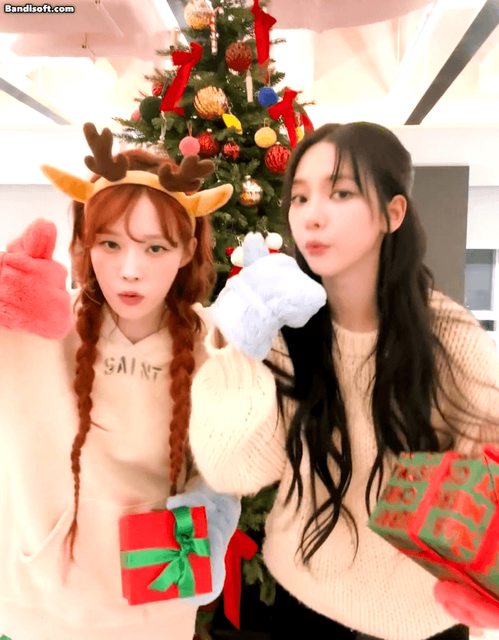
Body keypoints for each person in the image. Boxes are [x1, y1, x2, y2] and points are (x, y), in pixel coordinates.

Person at [188, 121, 499, 640]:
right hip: (297, 598)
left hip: (423, 615)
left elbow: (488, 470)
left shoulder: (449, 335)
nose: (312, 215)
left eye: (341, 193)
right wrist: (240, 347)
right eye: (300, 197)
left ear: (392, 213)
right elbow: (235, 470)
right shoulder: (284, 330)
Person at [0, 122, 242, 640]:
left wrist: (213, 514)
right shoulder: (42, 320)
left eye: (155, 248)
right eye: (110, 244)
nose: (130, 270)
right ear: (85, 245)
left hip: (153, 607)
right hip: (40, 605)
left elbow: (233, 464)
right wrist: (7, 302)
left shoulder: (213, 342)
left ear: (186, 251)